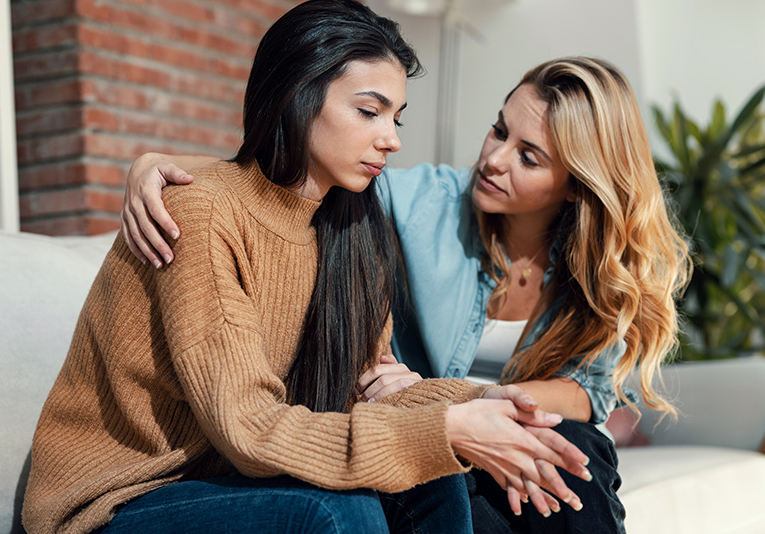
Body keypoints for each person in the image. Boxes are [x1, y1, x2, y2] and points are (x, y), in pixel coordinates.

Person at [22, 2, 593, 533]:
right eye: (369, 111)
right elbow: (247, 429)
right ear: (298, 93)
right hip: (117, 500)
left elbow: (370, 388)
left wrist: (476, 404)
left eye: (396, 117)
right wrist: (445, 427)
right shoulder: (200, 211)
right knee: (335, 511)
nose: (391, 140)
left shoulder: (351, 228)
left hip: (225, 481)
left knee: (435, 477)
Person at [121, 56, 692, 533]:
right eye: (499, 129)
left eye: (529, 156)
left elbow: (590, 392)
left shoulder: (599, 270)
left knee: (576, 451)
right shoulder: (425, 203)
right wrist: (157, 164)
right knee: (553, 467)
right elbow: (299, 178)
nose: (493, 159)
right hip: (411, 436)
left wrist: (481, 402)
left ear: (575, 186)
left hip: (467, 424)